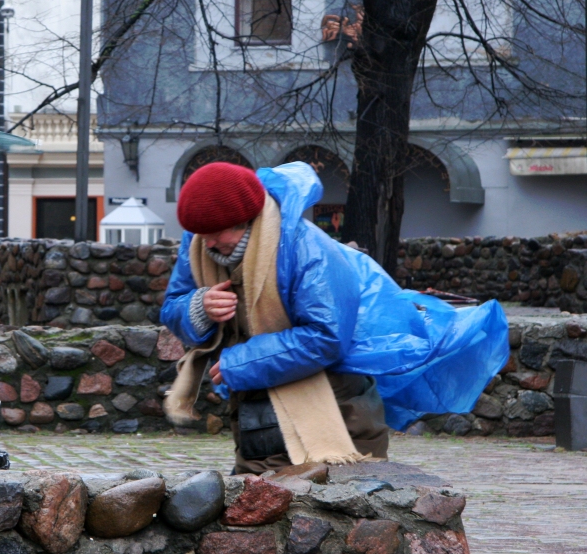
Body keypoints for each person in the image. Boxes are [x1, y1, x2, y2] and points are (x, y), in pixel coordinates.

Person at [161, 161, 509, 475]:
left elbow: (325, 337)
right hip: (258, 420)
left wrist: (242, 361)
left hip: (338, 414)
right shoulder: (201, 240)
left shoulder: (306, 249)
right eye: (199, 234)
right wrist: (198, 307)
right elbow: (173, 304)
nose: (207, 244)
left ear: (246, 219)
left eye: (216, 233)